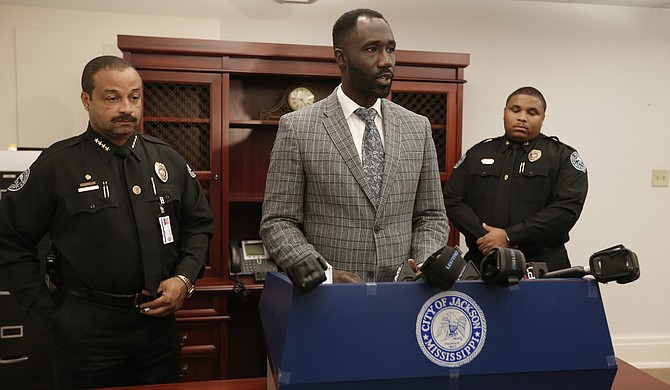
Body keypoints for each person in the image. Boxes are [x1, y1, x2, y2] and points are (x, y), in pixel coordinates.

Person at [0, 56, 214, 388]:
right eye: (112, 97)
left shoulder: (166, 158)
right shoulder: (58, 164)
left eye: (135, 96)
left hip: (157, 327)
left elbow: (199, 224)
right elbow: (9, 241)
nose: (126, 107)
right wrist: (50, 313)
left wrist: (185, 278)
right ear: (87, 100)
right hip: (86, 330)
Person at [259, 8, 448, 286]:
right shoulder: (298, 128)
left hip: (402, 299)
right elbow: (278, 221)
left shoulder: (417, 127)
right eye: (372, 49)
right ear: (341, 58)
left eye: (391, 49)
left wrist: (424, 263)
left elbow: (431, 215)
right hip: (329, 303)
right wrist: (325, 275)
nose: (386, 61)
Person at [443, 86, 588, 272]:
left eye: (532, 112)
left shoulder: (562, 157)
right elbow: (453, 199)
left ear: (543, 118)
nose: (522, 117)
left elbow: (567, 209)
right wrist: (486, 238)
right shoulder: (478, 153)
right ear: (504, 112)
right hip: (482, 262)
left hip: (543, 265)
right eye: (515, 110)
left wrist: (510, 236)